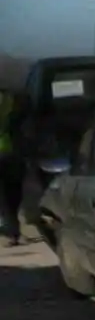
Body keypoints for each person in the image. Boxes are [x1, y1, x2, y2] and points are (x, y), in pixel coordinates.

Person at [0, 86, 24, 246]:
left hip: (6, 151)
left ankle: (11, 231)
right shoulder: (11, 98)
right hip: (13, 152)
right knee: (12, 195)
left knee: (5, 197)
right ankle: (12, 230)